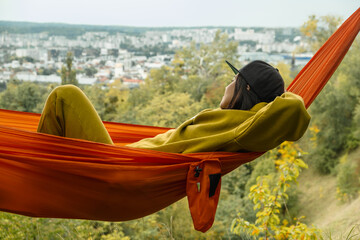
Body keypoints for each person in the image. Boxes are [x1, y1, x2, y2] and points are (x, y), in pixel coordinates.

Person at [37, 60, 310, 153]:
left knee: (65, 95)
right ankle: (44, 167)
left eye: (233, 80)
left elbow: (292, 108)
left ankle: (36, 169)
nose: (227, 85)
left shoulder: (244, 126)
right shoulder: (242, 123)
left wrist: (276, 98)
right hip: (124, 159)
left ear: (245, 89)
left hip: (121, 170)